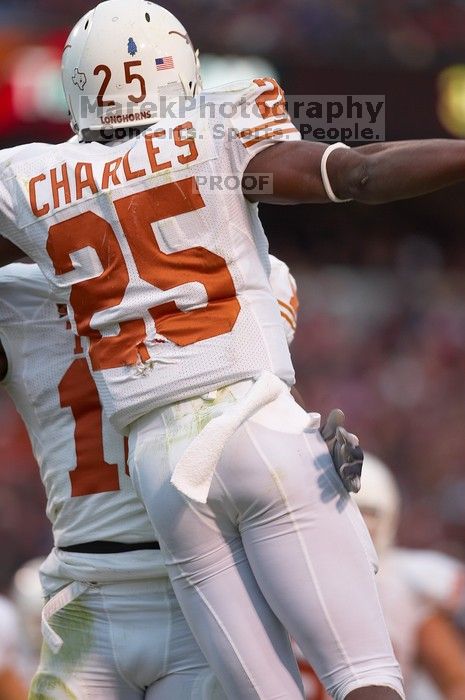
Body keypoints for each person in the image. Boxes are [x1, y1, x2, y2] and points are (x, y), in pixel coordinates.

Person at [8, 0, 465, 695]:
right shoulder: (221, 142)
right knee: (365, 673)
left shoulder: (26, 181)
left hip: (158, 484)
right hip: (248, 430)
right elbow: (359, 173)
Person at [1, 255, 319, 699]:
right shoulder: (243, 266)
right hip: (114, 587)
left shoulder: (18, 296)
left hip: (201, 582)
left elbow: (270, 397)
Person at [354, 454, 465, 700]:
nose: (360, 524)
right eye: (352, 511)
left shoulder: (404, 583)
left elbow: (455, 680)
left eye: (369, 512)